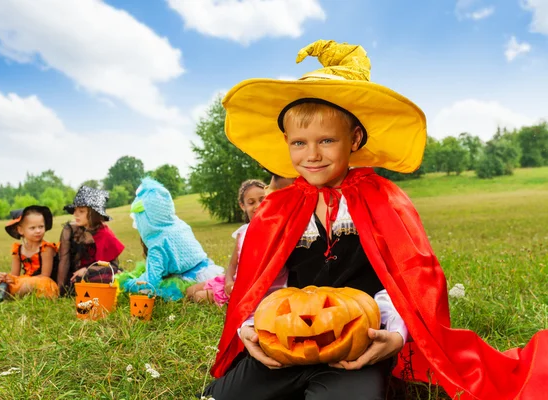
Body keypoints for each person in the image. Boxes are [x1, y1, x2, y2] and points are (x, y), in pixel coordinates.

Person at [205, 40, 548, 400]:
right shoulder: (278, 207)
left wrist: (395, 335)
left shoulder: (382, 199)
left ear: (353, 139)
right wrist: (251, 327)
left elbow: (411, 276)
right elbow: (263, 283)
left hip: (361, 343)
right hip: (286, 341)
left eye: (326, 140)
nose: (313, 155)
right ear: (286, 142)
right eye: (300, 143)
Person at [117, 177, 224, 301]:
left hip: (190, 280)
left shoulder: (158, 243)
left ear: (144, 221)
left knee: (163, 290)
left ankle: (213, 296)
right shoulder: (180, 225)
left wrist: (128, 284)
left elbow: (150, 281)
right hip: (209, 271)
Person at [186, 179, 266, 305]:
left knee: (199, 296)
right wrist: (228, 281)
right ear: (242, 206)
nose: (258, 205)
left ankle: (216, 296)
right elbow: (232, 265)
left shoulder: (272, 231)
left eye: (262, 200)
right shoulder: (242, 233)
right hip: (232, 281)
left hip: (245, 288)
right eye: (251, 202)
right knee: (190, 290)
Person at [56, 186, 125, 296]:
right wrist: (60, 290)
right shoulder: (70, 230)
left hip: (94, 273)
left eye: (81, 211)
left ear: (93, 214)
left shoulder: (106, 234)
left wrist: (88, 270)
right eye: (75, 210)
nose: (75, 214)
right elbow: (64, 260)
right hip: (73, 275)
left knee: (115, 276)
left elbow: (113, 266)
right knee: (75, 279)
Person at [0, 205, 59, 299]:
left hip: (42, 283)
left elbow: (45, 275)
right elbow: (15, 275)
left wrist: (22, 281)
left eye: (41, 227)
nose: (38, 231)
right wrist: (8, 278)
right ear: (20, 230)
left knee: (28, 285)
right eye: (32, 228)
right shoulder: (18, 250)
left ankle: (5, 295)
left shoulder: (46, 248)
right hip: (25, 281)